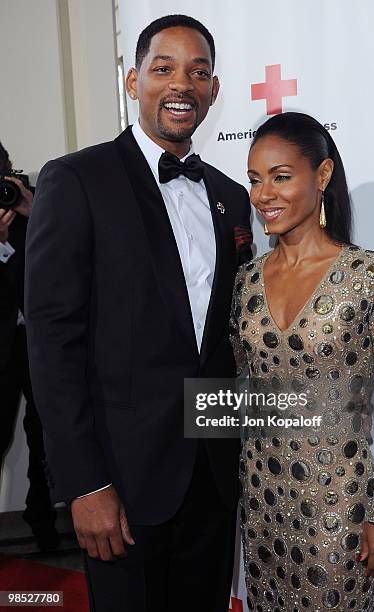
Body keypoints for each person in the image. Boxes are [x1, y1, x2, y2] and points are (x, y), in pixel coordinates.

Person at [25, 14, 252, 612]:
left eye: (198, 72)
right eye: (163, 69)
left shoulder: (231, 196)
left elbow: (220, 344)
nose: (183, 84)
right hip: (120, 483)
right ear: (133, 81)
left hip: (212, 474)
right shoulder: (77, 179)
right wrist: (85, 483)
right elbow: (52, 345)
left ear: (215, 90)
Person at [230, 112, 374, 611]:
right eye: (255, 179)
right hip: (262, 504)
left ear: (323, 176)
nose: (264, 193)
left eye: (281, 176)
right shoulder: (246, 280)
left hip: (339, 507)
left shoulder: (370, 276)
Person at [0, 142, 58, 551]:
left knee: (45, 433)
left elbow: (64, 254)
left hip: (40, 342)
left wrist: (31, 209)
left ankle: (44, 520)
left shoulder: (32, 202)